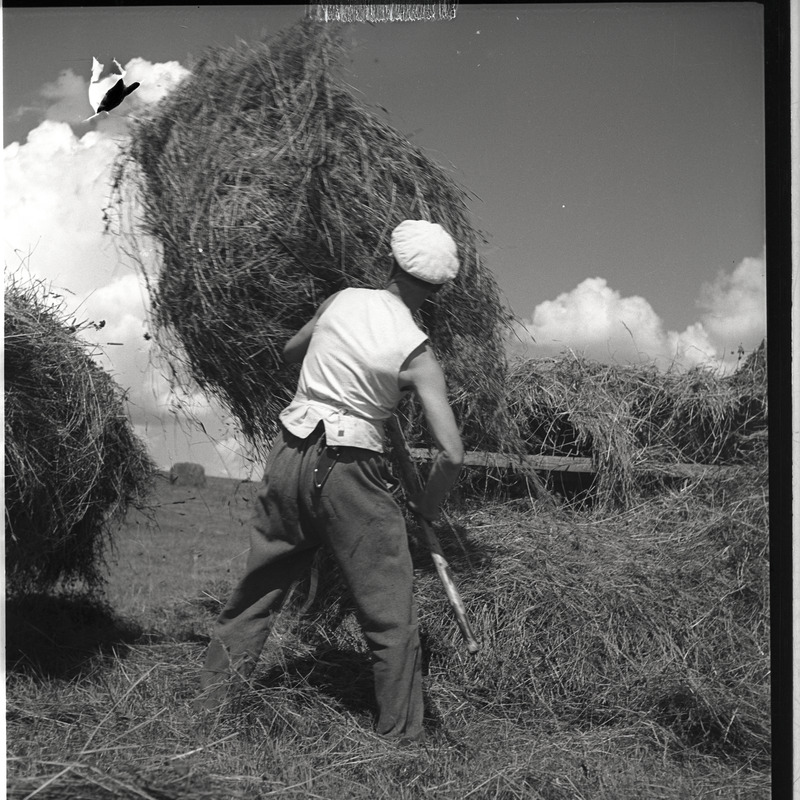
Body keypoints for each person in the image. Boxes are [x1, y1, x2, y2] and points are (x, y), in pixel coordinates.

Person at [195, 219, 465, 743]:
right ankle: (399, 741)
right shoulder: (418, 352)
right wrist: (427, 510)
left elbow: (292, 352)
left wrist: (337, 359)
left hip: (289, 453)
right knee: (390, 616)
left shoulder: (340, 301)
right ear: (438, 290)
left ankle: (209, 710)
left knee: (260, 587)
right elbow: (451, 452)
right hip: (349, 471)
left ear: (390, 261)